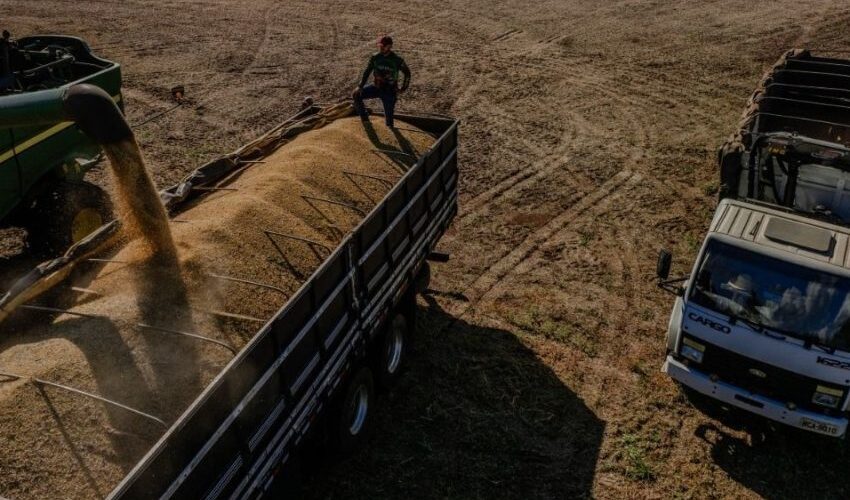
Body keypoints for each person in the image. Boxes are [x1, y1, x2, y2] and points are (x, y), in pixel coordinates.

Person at [352, 35, 410, 128]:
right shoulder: (375, 57)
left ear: (389, 46)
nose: (380, 48)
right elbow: (367, 71)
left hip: (390, 92)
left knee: (389, 123)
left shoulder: (397, 60)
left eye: (383, 46)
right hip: (376, 87)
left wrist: (403, 88)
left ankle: (390, 128)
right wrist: (360, 86)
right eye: (380, 46)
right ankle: (365, 119)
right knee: (356, 95)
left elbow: (407, 73)